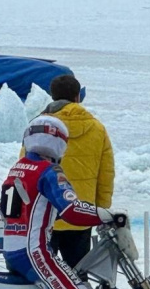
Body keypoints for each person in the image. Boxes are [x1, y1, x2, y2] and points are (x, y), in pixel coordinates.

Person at [1, 116, 123, 289]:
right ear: (58, 143)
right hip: (35, 252)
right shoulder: (49, 172)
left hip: (13, 248)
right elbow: (71, 210)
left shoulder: (20, 167)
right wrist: (105, 215)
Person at [41, 75, 114, 271]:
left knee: (45, 276)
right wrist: (100, 212)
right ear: (77, 97)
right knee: (78, 277)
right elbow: (106, 174)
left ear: (52, 96)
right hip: (81, 215)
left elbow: (27, 168)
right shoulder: (97, 128)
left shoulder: (41, 128)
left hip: (46, 216)